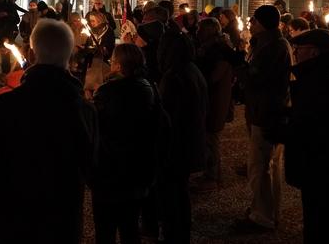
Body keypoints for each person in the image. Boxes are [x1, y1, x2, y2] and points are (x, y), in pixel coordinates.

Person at [0, 19, 98, 244]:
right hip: (62, 219)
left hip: (15, 216)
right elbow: (94, 166)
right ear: (70, 55)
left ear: (32, 51)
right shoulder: (83, 110)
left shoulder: (5, 105)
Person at [272, 29, 329, 243]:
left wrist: (283, 132)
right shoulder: (326, 74)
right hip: (326, 168)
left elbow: (319, 127)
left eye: (299, 50)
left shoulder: (324, 81)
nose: (295, 53)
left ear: (313, 52)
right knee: (323, 222)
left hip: (325, 169)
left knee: (322, 225)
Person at [232, 4, 291, 234]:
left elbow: (257, 80)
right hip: (273, 110)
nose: (250, 24)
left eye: (253, 21)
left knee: (259, 165)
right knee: (272, 165)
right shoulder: (275, 44)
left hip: (266, 112)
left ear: (262, 23)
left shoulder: (271, 48)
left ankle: (262, 216)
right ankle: (270, 210)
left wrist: (240, 66)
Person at [91, 43, 158, 244]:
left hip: (110, 169)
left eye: (112, 61)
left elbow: (98, 126)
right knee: (130, 226)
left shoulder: (108, 92)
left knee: (105, 229)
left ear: (119, 66)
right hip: (138, 166)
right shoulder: (148, 87)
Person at [158, 32, 208, 243]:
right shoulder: (192, 70)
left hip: (176, 146)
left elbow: (167, 114)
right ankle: (181, 233)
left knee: (172, 195)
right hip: (190, 142)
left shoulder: (175, 75)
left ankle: (174, 235)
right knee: (180, 192)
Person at [194, 18, 242, 191]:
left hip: (215, 100)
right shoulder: (212, 49)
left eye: (200, 28)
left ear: (209, 31)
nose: (197, 31)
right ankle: (212, 174)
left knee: (211, 139)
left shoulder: (220, 52)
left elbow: (215, 77)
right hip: (213, 98)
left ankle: (212, 177)